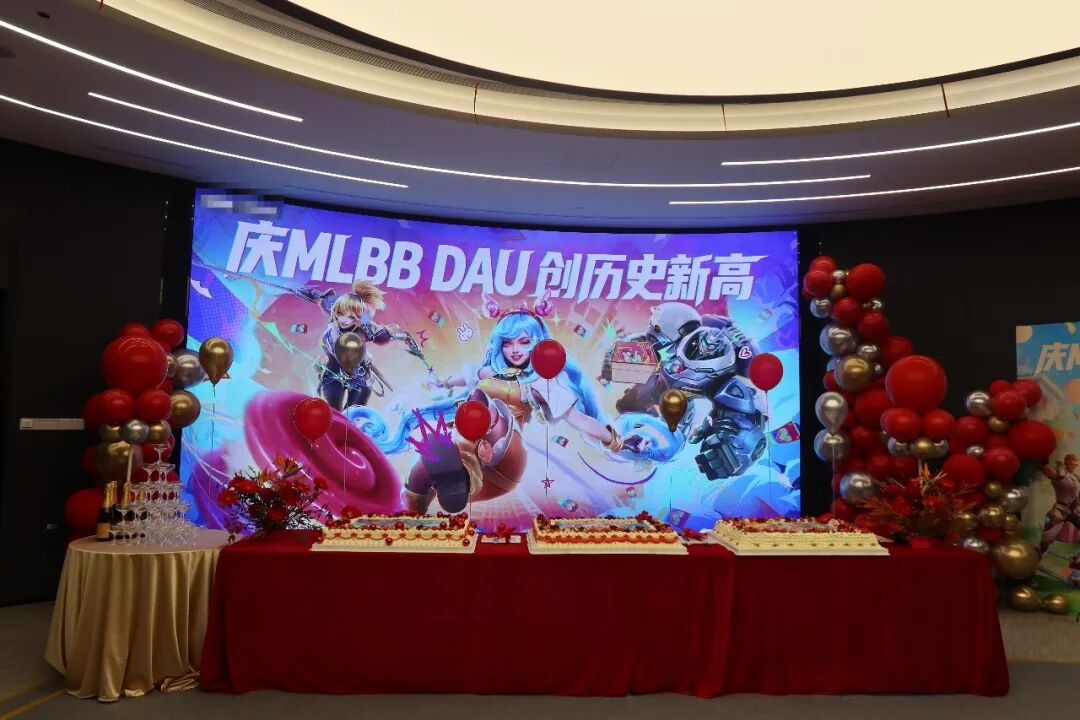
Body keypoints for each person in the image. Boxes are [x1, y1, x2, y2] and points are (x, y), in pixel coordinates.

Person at [402, 299, 629, 513]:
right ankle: (442, 490)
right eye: (507, 343)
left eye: (524, 342)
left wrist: (615, 441)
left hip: (503, 450)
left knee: (486, 406)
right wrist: (442, 382)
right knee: (426, 463)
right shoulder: (491, 372)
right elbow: (465, 378)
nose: (515, 350)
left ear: (537, 343)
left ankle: (462, 471)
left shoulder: (540, 383)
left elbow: (579, 420)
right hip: (465, 438)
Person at [603, 301, 767, 480]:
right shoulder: (682, 338)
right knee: (629, 402)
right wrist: (619, 358)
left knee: (725, 428)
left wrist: (735, 441)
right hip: (675, 386)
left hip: (707, 386)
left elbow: (754, 405)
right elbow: (634, 354)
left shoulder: (723, 354)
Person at [293, 278, 414, 410]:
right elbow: (322, 298)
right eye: (341, 314)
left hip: (359, 379)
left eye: (351, 317)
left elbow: (386, 334)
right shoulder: (333, 312)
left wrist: (402, 336)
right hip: (333, 374)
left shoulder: (366, 328)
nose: (344, 320)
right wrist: (309, 293)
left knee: (353, 413)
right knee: (334, 411)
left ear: (358, 317)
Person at [1040, 453, 1080, 553]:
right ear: (1066, 463)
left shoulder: (1076, 478)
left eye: (1075, 464)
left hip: (1071, 513)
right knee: (1045, 541)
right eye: (1071, 463)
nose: (1073, 466)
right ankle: (1040, 553)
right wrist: (1044, 463)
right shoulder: (1062, 474)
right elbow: (1049, 471)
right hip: (1058, 512)